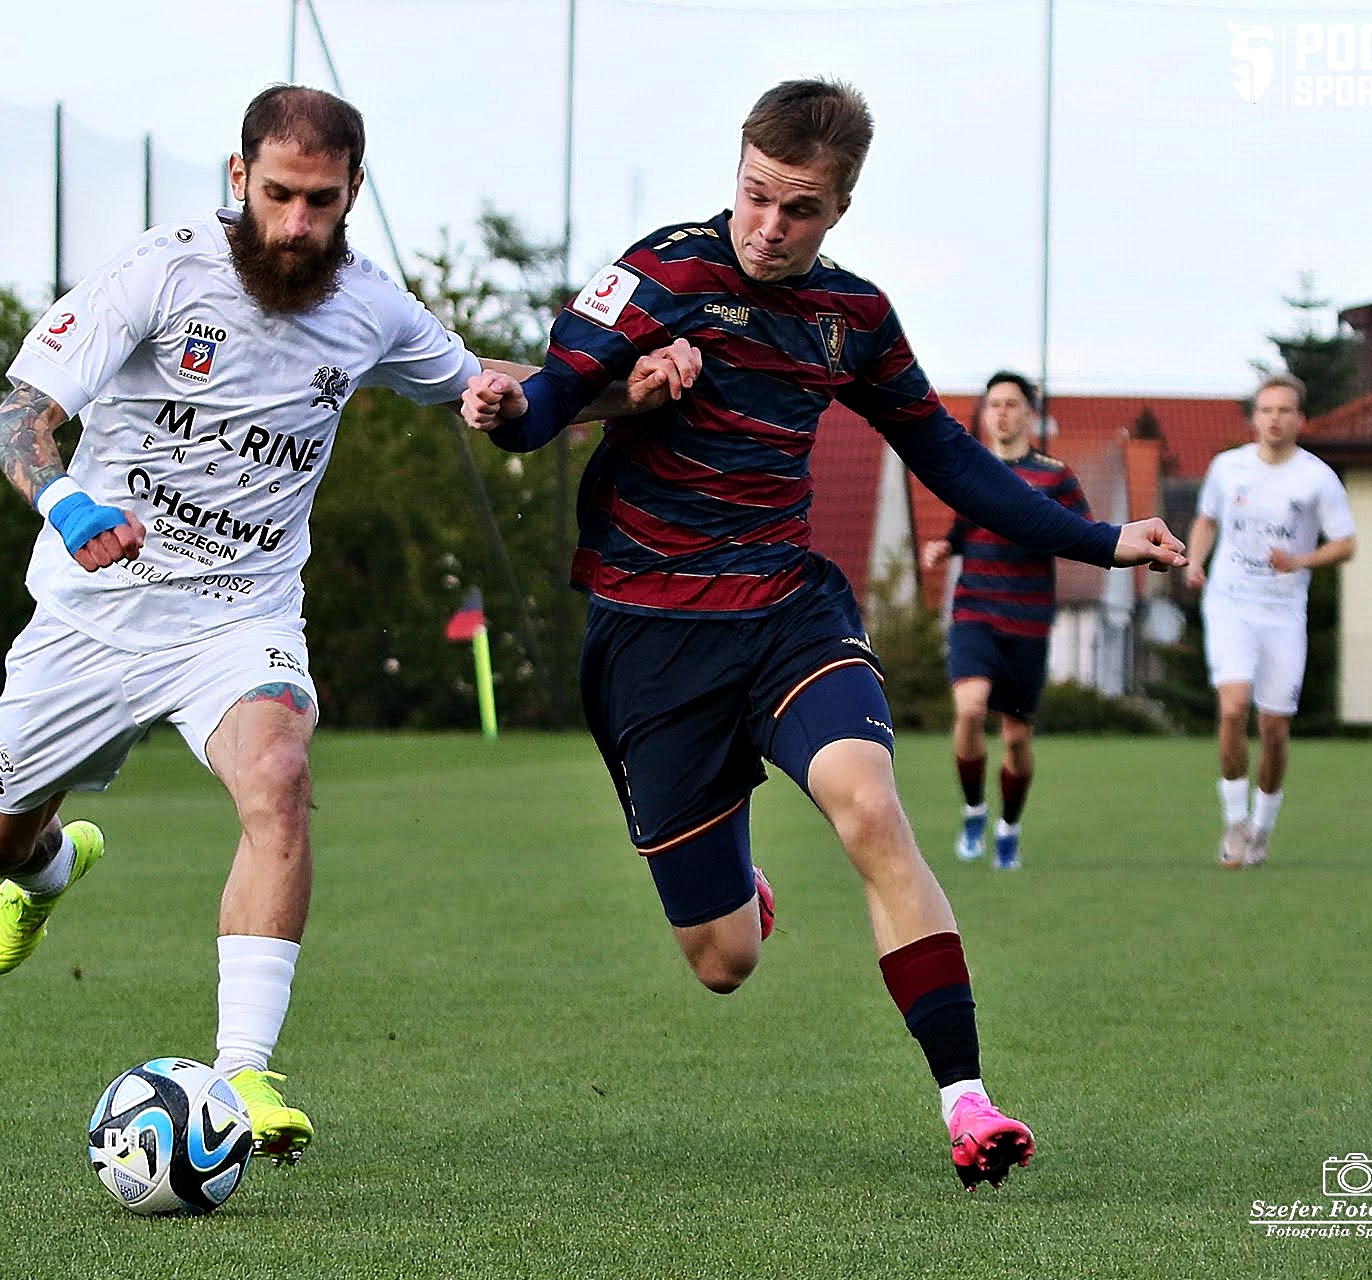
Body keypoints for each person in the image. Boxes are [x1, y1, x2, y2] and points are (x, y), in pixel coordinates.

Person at [461, 77, 1185, 1190]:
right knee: (724, 961)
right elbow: (551, 399)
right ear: (738, 171)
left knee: (870, 805)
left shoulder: (853, 318)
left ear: (840, 207)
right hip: (653, 637)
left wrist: (1101, 539)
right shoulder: (659, 274)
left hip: (786, 612)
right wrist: (513, 407)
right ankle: (739, 890)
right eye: (756, 195)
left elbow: (949, 458)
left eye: (798, 209)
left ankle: (967, 1100)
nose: (768, 225)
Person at [0, 84, 696, 1165]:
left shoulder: (372, 307)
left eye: (321, 200)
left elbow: (496, 389)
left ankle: (242, 1072)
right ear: (238, 178)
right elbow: (20, 418)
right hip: (95, 612)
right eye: (279, 195)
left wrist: (631, 391)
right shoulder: (157, 273)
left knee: (281, 776)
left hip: (240, 615)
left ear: (355, 191)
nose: (298, 223)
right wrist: (68, 504)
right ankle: (51, 867)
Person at [920, 372, 1091, 870]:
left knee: (1016, 739)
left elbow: (1082, 533)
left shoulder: (1055, 476)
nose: (1002, 413)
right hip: (975, 611)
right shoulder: (970, 468)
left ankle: (1008, 829)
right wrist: (945, 546)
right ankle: (974, 811)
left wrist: (1053, 535)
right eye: (994, 404)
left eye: (1012, 404)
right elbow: (962, 528)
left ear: (1029, 415)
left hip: (1029, 622)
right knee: (970, 710)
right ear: (984, 413)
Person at [1184, 372, 1356, 868]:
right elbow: (1207, 519)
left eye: (1283, 411)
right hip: (1230, 603)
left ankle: (1262, 827)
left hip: (1283, 612)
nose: (1274, 419)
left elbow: (1345, 543)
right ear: (1254, 418)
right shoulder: (1228, 467)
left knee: (1275, 728)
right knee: (1233, 708)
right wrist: (1195, 561)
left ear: (1300, 419)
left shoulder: (1316, 477)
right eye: (1265, 410)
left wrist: (1300, 560)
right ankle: (1235, 823)